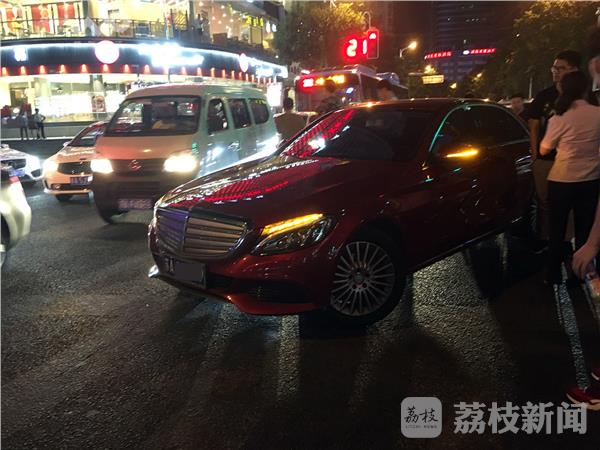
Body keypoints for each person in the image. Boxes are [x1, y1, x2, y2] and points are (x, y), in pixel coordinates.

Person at [539, 70, 600, 285]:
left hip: (561, 180)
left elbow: (544, 149)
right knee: (584, 230)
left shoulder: (558, 117)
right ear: (585, 89)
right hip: (591, 180)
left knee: (556, 230)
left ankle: (552, 275)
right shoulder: (597, 113)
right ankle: (578, 276)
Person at [529, 50, 581, 249]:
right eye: (554, 68)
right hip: (546, 159)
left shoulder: (582, 98)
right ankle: (547, 240)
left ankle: (567, 243)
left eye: (561, 68)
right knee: (545, 201)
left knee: (569, 203)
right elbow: (534, 126)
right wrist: (535, 157)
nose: (556, 72)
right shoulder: (544, 96)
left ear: (574, 70)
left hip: (572, 161)